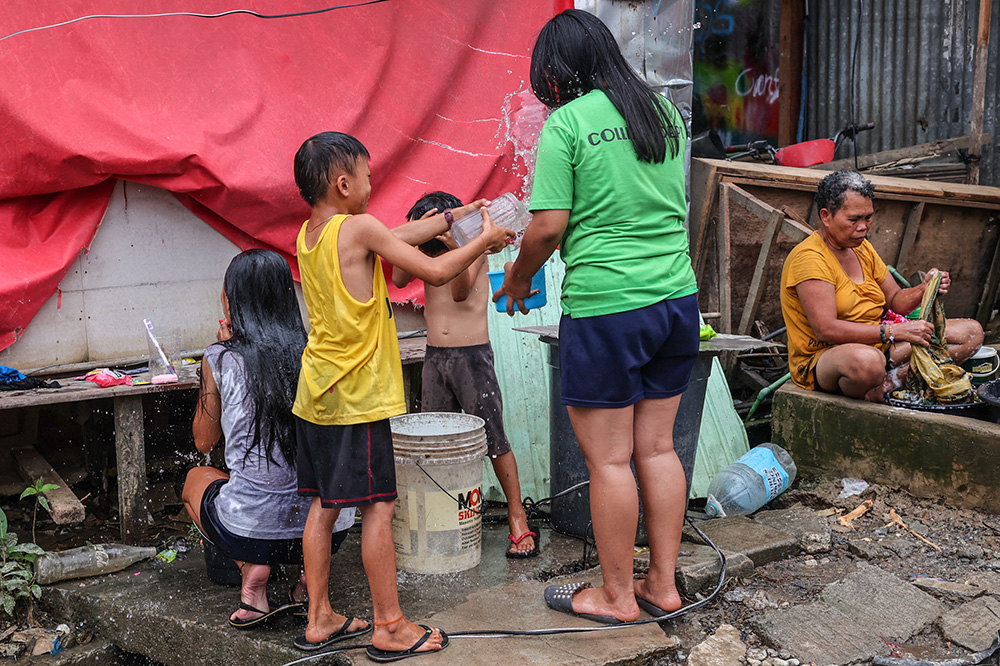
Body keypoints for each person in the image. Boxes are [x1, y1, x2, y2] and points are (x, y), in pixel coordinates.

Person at [494, 10, 698, 623]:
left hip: (610, 308)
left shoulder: (567, 125)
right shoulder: (663, 112)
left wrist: (520, 276)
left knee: (609, 461)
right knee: (657, 449)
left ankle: (615, 597)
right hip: (676, 301)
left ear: (559, 72)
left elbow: (549, 226)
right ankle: (660, 584)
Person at [291, 131, 512, 659]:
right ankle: (389, 626)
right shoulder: (360, 228)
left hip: (316, 394)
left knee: (323, 506)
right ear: (343, 183)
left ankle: (319, 617)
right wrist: (482, 239)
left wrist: (452, 217)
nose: (371, 183)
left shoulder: (312, 235)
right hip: (358, 398)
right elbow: (435, 269)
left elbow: (393, 234)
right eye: (367, 175)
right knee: (379, 509)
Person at [181, 249, 354, 631]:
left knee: (196, 479)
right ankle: (309, 575)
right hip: (332, 529)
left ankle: (251, 570)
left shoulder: (221, 357)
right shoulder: (318, 352)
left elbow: (204, 442)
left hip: (251, 533)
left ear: (232, 300)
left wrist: (217, 358)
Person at [392, 191, 538, 559]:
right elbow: (397, 275)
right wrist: (417, 227)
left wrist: (463, 240)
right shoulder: (427, 254)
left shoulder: (474, 248)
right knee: (436, 444)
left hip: (472, 359)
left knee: (494, 441)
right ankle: (444, 519)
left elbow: (458, 293)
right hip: (434, 358)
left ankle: (517, 518)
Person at [780, 170, 983, 401]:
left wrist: (925, 288)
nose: (863, 227)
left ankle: (890, 382)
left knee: (971, 333)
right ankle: (878, 381)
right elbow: (826, 329)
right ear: (826, 217)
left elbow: (896, 300)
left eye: (868, 217)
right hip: (827, 358)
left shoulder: (862, 248)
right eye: (854, 219)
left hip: (881, 347)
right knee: (867, 363)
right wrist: (894, 331)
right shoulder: (810, 258)